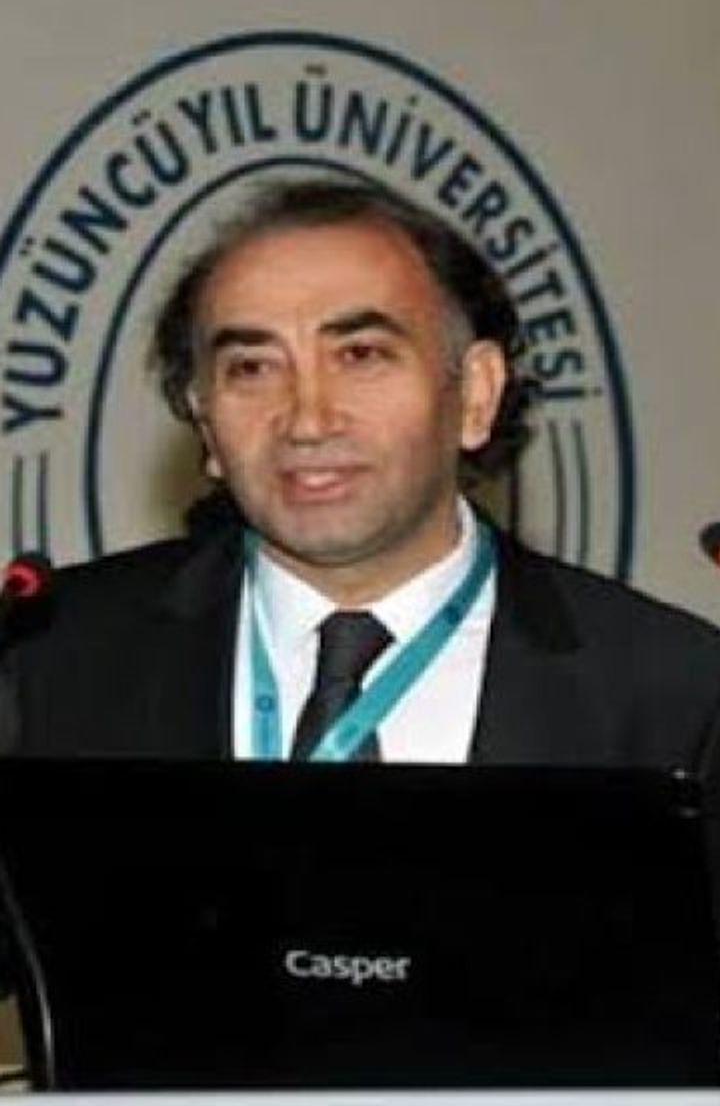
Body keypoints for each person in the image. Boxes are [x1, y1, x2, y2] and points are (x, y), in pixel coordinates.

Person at [1, 177, 719, 765]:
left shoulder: (675, 694)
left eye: (361, 356)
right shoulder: (46, 663)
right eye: (251, 367)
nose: (307, 420)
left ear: (475, 394)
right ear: (206, 423)